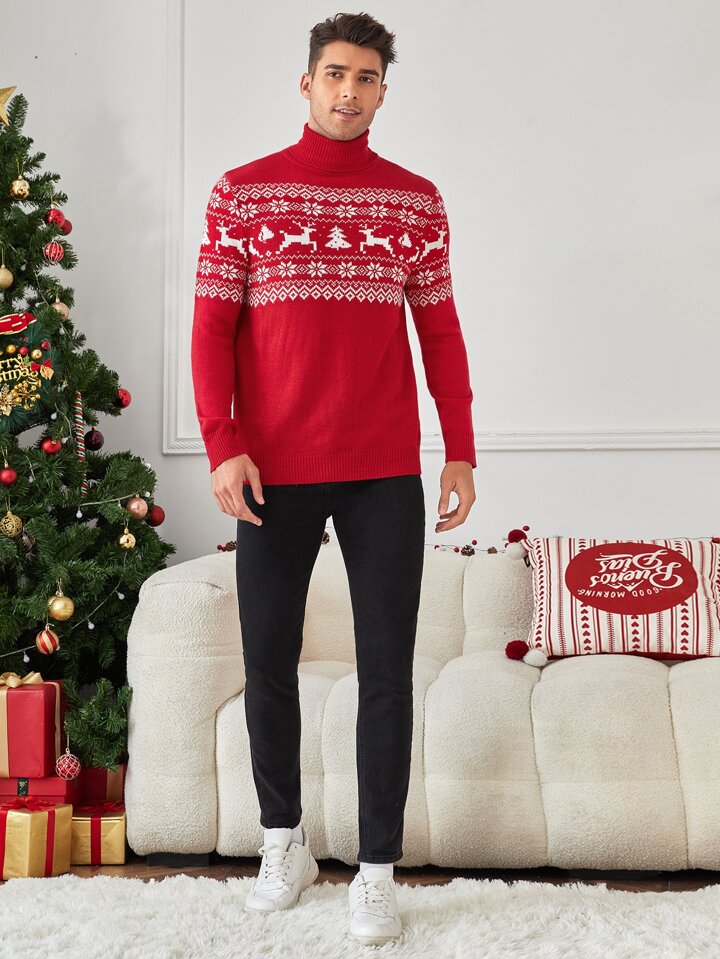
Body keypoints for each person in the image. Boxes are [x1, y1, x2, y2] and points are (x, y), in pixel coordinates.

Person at [190, 11, 476, 947]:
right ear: (306, 82)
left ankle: (377, 871)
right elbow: (211, 328)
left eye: (366, 77)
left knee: (386, 671)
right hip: (270, 470)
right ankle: (284, 842)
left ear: (383, 91)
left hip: (383, 471)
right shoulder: (242, 194)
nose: (349, 90)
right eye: (335, 73)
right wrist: (223, 441)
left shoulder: (415, 203)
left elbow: (440, 330)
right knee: (267, 661)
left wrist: (461, 446)